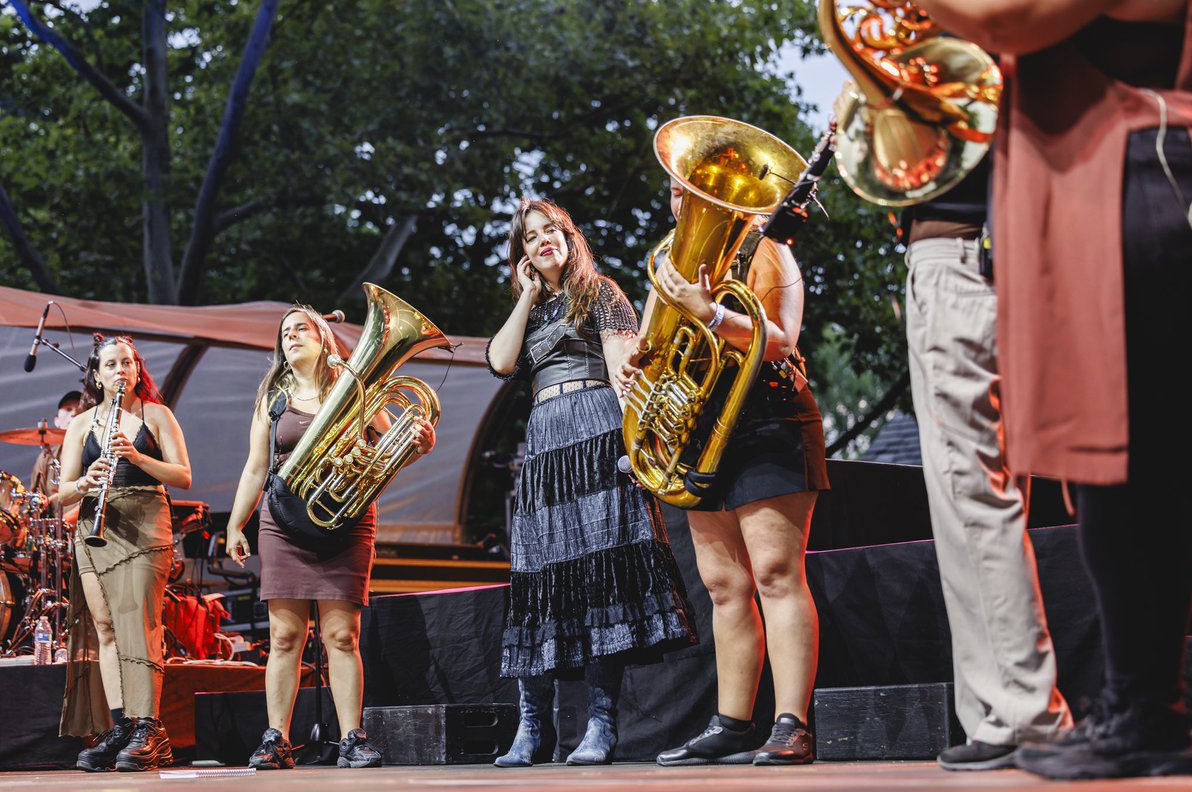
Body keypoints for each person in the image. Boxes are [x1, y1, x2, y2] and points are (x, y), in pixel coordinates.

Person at [904, 0, 1192, 780]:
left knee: (1145, 466)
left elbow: (1010, 13)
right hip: (1093, 180)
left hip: (1146, 167)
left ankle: (1143, 711)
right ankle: (1145, 710)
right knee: (1118, 475)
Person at [486, 197, 696, 767]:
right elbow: (501, 362)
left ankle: (600, 727)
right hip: (547, 442)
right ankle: (533, 729)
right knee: (540, 581)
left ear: (570, 237)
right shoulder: (529, 306)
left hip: (598, 429)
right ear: (522, 254)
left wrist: (639, 448)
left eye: (550, 230)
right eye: (530, 237)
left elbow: (624, 371)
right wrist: (528, 294)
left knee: (603, 579)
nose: (542, 240)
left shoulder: (600, 291)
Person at [635, 179, 830, 766]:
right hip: (703, 428)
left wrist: (711, 314)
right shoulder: (671, 260)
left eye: (694, 191)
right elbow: (651, 345)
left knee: (774, 573)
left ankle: (792, 724)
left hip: (768, 418)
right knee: (724, 587)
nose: (683, 203)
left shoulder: (769, 246)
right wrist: (635, 370)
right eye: (675, 192)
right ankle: (732, 724)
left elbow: (783, 339)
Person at [897, 155, 1073, 770]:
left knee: (971, 497)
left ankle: (1024, 713)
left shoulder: (966, 65)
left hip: (960, 263)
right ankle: (1005, 711)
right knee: (989, 496)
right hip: (998, 259)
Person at [224, 303, 435, 770]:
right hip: (282, 523)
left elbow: (390, 453)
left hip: (345, 521)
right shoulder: (272, 399)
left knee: (341, 636)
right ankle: (275, 738)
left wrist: (419, 445)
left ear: (323, 338)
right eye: (285, 332)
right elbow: (256, 466)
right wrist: (236, 523)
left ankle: (352, 738)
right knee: (284, 637)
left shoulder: (353, 389)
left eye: (302, 328)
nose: (292, 336)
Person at [57, 335, 192, 772]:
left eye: (127, 363)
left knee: (140, 623)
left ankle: (149, 727)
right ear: (97, 375)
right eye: (111, 365)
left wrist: (136, 455)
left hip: (145, 519)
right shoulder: (81, 424)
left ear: (137, 370)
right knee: (107, 627)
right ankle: (124, 724)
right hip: (96, 523)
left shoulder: (156, 415)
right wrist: (84, 483)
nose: (120, 371)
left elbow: (183, 476)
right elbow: (59, 494)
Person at [28, 390, 82, 517]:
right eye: (68, 409)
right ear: (56, 420)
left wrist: (66, 521)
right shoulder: (45, 458)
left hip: (85, 529)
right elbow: (35, 501)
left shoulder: (95, 452)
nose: (74, 413)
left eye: (80, 410)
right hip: (55, 533)